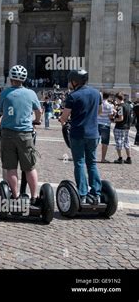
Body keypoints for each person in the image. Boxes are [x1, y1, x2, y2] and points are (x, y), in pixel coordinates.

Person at [0, 65, 42, 205]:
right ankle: (34, 197)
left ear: (11, 79)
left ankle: (15, 197)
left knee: (11, 167)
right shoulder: (31, 93)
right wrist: (37, 120)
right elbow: (39, 111)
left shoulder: (4, 93)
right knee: (29, 167)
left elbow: (1, 111)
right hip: (25, 133)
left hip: (7, 134)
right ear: (24, 79)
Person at [59, 70, 103, 204]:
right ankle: (96, 193)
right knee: (92, 163)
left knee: (79, 162)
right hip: (94, 134)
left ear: (75, 81)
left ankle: (82, 193)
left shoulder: (73, 96)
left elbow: (64, 117)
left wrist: (63, 120)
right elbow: (99, 112)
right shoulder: (97, 93)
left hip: (78, 133)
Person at [112, 92, 132, 164]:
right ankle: (129, 158)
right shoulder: (128, 105)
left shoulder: (120, 106)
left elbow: (121, 118)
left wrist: (114, 119)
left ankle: (120, 158)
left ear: (117, 98)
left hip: (120, 127)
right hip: (127, 127)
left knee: (119, 142)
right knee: (127, 142)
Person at [97, 92, 114, 163]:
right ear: (108, 97)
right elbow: (110, 116)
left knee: (95, 142)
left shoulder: (98, 104)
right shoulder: (110, 106)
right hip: (105, 125)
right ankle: (103, 158)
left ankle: (91, 157)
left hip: (97, 124)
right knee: (105, 143)